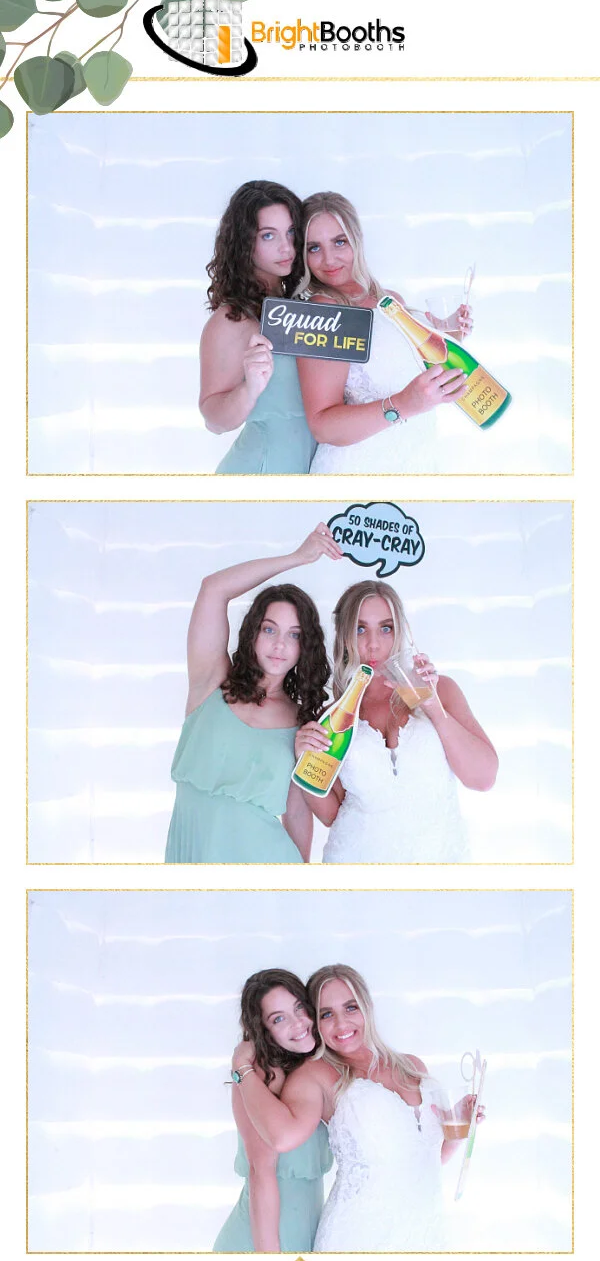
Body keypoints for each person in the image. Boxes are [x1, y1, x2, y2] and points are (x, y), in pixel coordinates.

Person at [232, 965, 485, 1252]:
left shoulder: (412, 1066)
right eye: (326, 1014)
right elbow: (282, 1137)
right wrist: (242, 1066)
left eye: (350, 1007)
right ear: (316, 1021)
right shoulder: (315, 1075)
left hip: (426, 1234)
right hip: (359, 1238)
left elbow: (423, 1162)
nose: (341, 1024)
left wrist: (460, 1129)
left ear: (367, 1006)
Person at [164, 526, 339, 864]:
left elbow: (296, 813)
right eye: (269, 629)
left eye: (294, 635)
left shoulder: (302, 722)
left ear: (305, 647)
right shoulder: (212, 683)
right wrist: (298, 557)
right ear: (253, 633)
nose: (279, 644)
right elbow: (213, 588)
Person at [294, 581, 498, 861]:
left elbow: (483, 779)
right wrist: (304, 760)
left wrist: (432, 707)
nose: (373, 644)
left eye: (386, 628)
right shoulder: (334, 716)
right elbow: (332, 815)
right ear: (344, 636)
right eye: (360, 629)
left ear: (400, 631)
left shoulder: (442, 691)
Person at [295, 192, 473, 474]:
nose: (328, 259)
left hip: (417, 457)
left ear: (357, 239)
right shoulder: (324, 312)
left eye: (339, 242)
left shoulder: (389, 300)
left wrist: (450, 334)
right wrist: (404, 405)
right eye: (314, 248)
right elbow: (323, 426)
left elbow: (411, 373)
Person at [199, 180, 315, 473]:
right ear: (244, 242)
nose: (285, 247)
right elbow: (214, 421)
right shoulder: (233, 319)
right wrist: (249, 389)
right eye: (268, 235)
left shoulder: (301, 308)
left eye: (291, 232)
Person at [213, 970, 332, 1253]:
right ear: (264, 1031)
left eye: (299, 1008)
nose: (298, 1023)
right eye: (279, 1019)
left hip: (307, 1235)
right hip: (264, 1243)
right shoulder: (262, 1075)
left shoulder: (309, 1071)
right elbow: (260, 1171)